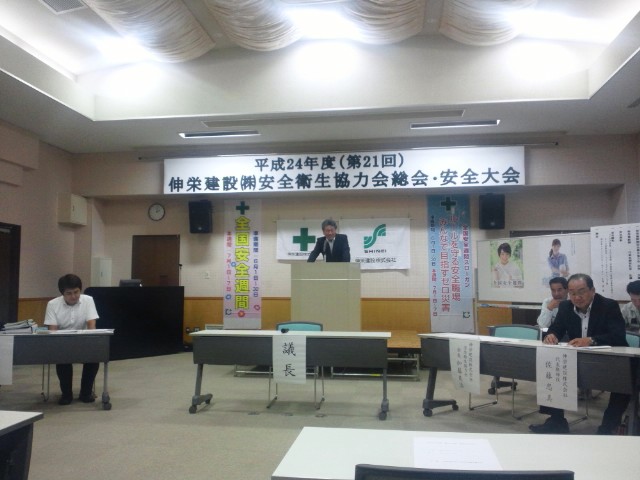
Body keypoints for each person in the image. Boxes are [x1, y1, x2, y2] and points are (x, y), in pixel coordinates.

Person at [529, 273, 629, 435]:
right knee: (551, 366)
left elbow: (618, 336)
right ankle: (556, 422)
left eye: (582, 292)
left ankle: (608, 427)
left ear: (592, 290)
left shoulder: (608, 306)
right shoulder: (565, 307)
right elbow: (556, 328)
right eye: (572, 293)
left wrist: (591, 340)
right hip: (578, 360)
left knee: (623, 381)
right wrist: (551, 335)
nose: (577, 297)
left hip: (610, 360)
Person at [44, 274, 100, 405]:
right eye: (69, 293)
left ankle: (86, 393)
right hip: (62, 343)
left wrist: (91, 343)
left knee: (94, 359)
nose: (73, 296)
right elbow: (53, 330)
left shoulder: (88, 300)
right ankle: (66, 395)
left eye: (76, 292)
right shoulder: (52, 304)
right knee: (62, 360)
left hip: (84, 341)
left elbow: (91, 325)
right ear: (62, 293)